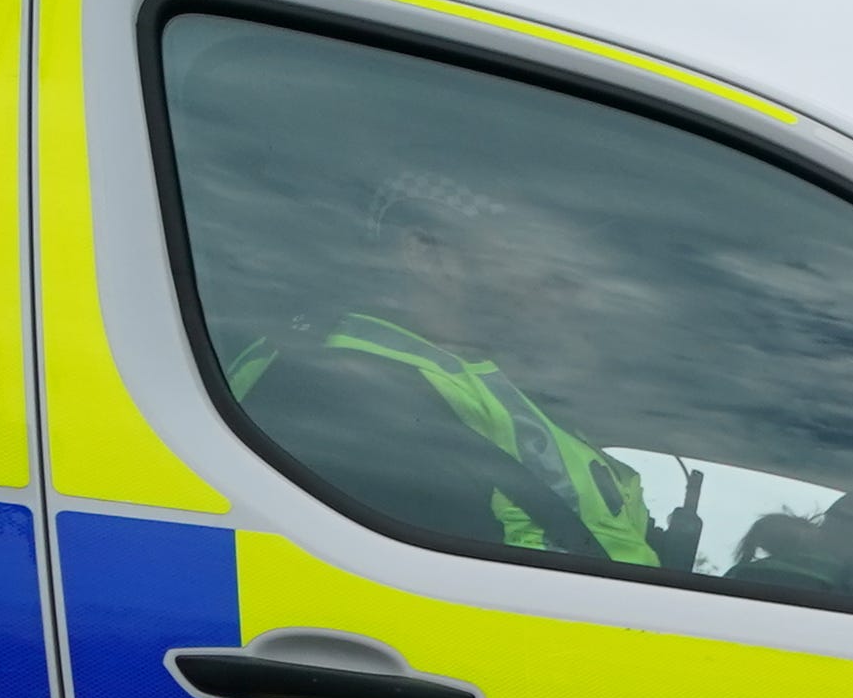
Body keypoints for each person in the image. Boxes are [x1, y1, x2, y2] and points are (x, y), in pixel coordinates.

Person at [224, 167, 660, 571]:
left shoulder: (461, 381)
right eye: (523, 249)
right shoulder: (347, 387)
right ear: (426, 253)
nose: (567, 290)